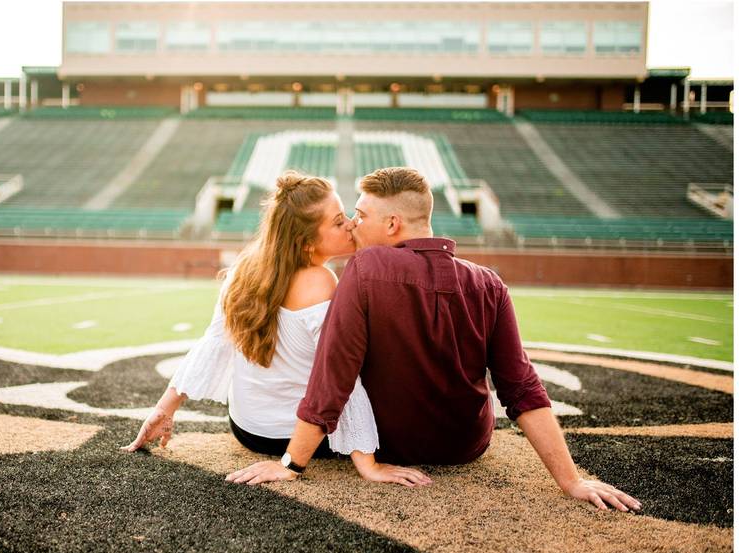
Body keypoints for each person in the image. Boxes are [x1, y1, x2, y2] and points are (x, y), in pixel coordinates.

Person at [226, 166, 641, 513]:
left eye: (359, 214)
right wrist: (570, 481)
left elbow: (334, 374)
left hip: (392, 446)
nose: (352, 224)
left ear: (392, 224)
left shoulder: (366, 266)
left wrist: (292, 464)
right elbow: (522, 387)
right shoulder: (489, 283)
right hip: (466, 446)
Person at [121, 170, 431, 487]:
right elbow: (339, 373)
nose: (351, 223)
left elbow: (212, 344)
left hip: (247, 430)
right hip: (299, 438)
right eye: (338, 221)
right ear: (307, 243)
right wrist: (368, 463)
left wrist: (164, 410)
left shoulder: (244, 268)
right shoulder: (322, 283)